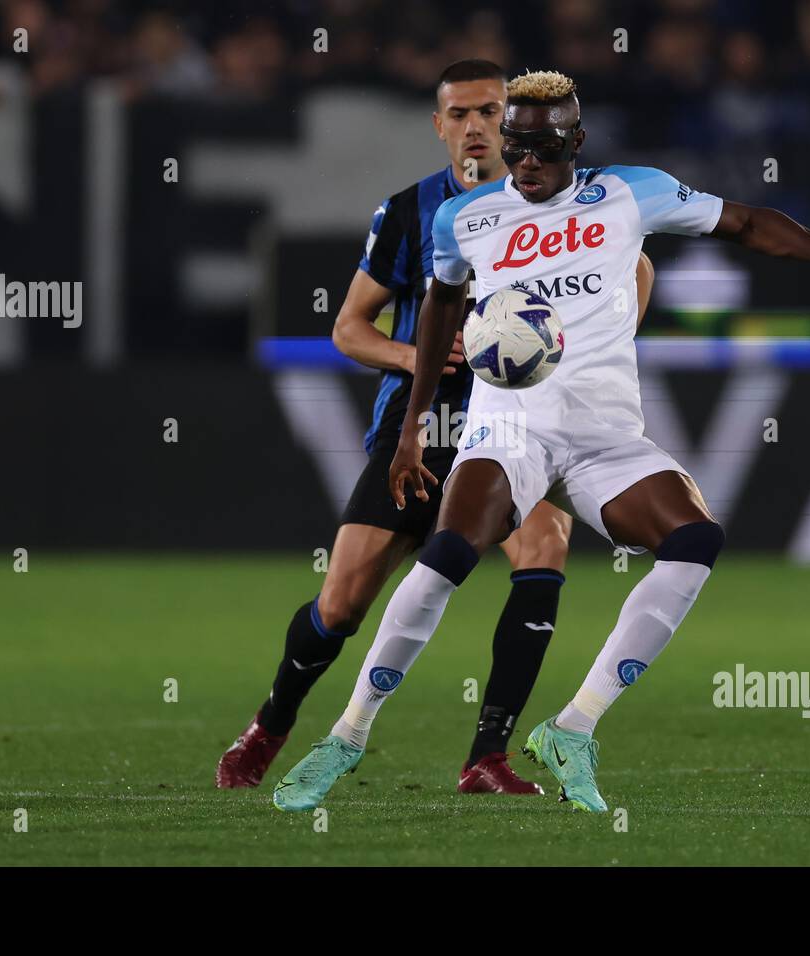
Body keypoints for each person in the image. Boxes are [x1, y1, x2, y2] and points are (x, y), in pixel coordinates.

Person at [218, 61, 655, 795]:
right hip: (426, 427)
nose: (476, 127)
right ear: (440, 125)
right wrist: (417, 352)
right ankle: (271, 722)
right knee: (342, 601)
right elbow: (349, 328)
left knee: (545, 542)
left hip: (520, 425)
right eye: (460, 114)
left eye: (490, 111)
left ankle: (487, 755)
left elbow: (637, 271)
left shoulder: (561, 202)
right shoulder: (414, 212)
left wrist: (585, 346)